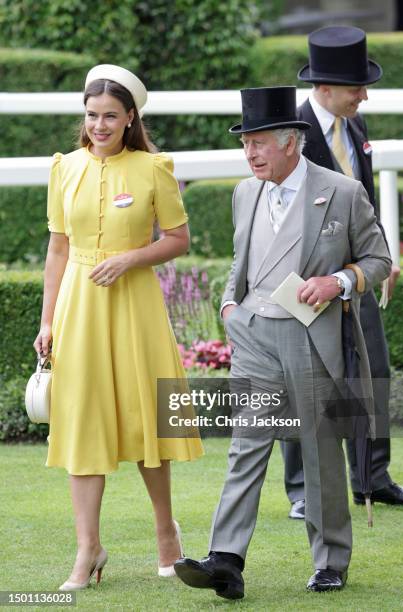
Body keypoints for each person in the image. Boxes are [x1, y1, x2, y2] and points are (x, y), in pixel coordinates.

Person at [174, 85, 391, 598]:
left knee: (319, 447)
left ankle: (331, 560)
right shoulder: (244, 192)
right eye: (245, 143)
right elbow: (241, 258)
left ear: (291, 141)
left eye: (259, 143)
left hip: (313, 336)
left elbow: (378, 260)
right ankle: (225, 560)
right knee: (247, 446)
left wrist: (337, 282)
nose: (250, 154)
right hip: (255, 334)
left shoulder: (341, 191)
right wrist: (231, 306)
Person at [33, 64, 203, 591]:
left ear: (131, 118)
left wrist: (130, 259)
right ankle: (88, 549)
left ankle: (166, 535)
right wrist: (46, 321)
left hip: (136, 307)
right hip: (78, 309)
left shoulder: (154, 168)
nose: (100, 125)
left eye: (110, 116)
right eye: (92, 115)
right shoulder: (64, 168)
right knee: (83, 423)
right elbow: (58, 249)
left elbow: (179, 239)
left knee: (150, 417)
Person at [281, 26, 403, 522]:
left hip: (358, 275)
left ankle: (371, 478)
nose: (365, 95)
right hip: (305, 282)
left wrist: (381, 256)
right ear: (326, 88)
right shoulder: (292, 133)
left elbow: (366, 200)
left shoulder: (355, 128)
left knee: (371, 372)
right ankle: (301, 491)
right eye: (357, 87)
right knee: (305, 384)